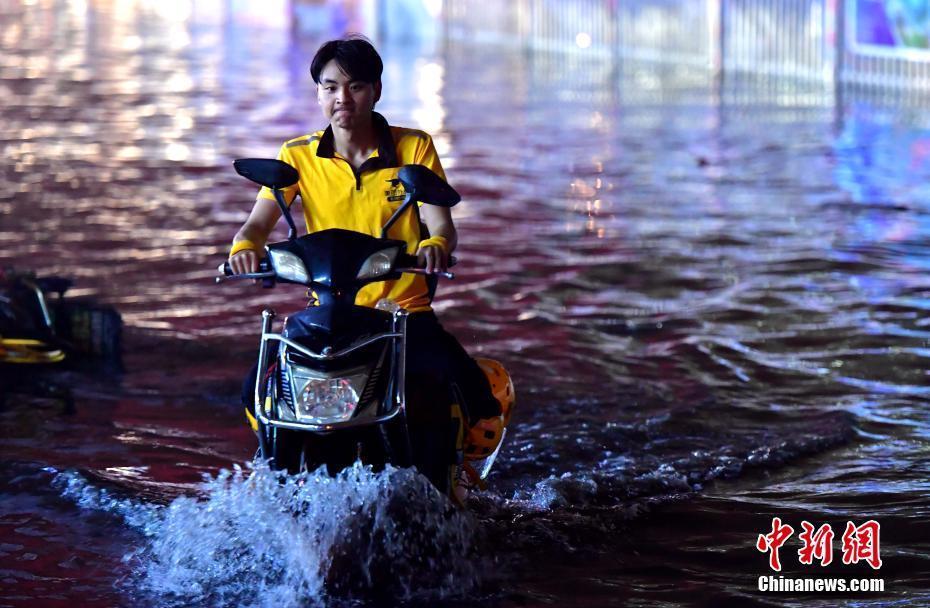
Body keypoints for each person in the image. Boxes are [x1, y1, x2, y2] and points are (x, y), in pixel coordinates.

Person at [228, 35, 500, 489]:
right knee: (257, 389)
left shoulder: (413, 148)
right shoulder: (296, 156)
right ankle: (279, 476)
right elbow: (256, 224)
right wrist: (243, 250)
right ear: (317, 93)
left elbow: (441, 225)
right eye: (330, 87)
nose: (342, 98)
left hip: (400, 313)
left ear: (375, 90)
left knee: (456, 384)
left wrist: (436, 245)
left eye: (354, 86)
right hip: (328, 313)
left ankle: (443, 483)